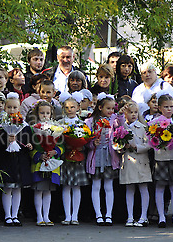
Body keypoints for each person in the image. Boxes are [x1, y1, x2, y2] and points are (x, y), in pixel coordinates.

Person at [0, 93, 33, 227]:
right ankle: (7, 215)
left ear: (19, 108)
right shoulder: (2, 125)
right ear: (4, 107)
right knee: (7, 189)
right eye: (9, 107)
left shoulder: (24, 125)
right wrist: (5, 140)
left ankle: (15, 215)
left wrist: (28, 145)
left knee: (17, 190)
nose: (12, 110)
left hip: (19, 162)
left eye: (15, 107)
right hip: (6, 161)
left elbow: (27, 141)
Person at [85, 93, 121, 226]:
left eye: (113, 108)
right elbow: (85, 140)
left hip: (109, 156)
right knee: (96, 186)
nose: (111, 111)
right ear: (100, 107)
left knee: (108, 186)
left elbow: (121, 130)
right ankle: (98, 214)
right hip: (96, 156)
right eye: (108, 108)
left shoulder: (114, 120)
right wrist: (92, 143)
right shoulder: (90, 121)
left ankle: (109, 215)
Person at [57, 92, 90, 225]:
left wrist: (82, 146)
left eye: (72, 107)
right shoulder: (59, 123)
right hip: (65, 157)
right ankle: (67, 215)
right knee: (66, 186)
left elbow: (87, 139)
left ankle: (75, 215)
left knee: (76, 187)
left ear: (78, 108)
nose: (69, 110)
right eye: (67, 107)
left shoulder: (82, 123)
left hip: (78, 157)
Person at [29, 100, 62, 226]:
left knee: (48, 191)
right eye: (42, 113)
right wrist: (38, 155)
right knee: (38, 190)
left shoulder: (57, 129)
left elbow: (61, 145)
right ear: (37, 114)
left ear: (51, 114)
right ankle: (39, 216)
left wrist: (55, 151)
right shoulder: (33, 129)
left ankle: (46, 216)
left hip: (52, 164)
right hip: (39, 164)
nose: (45, 115)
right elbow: (31, 148)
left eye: (47, 113)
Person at [119, 101, 151, 227]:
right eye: (130, 112)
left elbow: (149, 144)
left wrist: (137, 147)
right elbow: (116, 144)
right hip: (128, 161)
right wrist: (122, 147)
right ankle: (130, 216)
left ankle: (143, 216)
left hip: (141, 161)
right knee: (130, 189)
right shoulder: (122, 128)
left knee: (143, 188)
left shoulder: (143, 127)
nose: (133, 115)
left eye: (135, 112)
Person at [152, 93, 173, 228]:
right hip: (161, 158)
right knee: (160, 186)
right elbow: (150, 140)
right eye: (166, 107)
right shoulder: (154, 123)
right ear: (159, 108)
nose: (169, 109)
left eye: (171, 106)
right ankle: (161, 217)